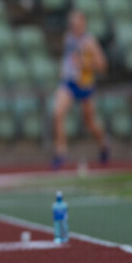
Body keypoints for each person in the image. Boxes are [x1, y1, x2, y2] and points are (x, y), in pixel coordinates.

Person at [51, 10, 110, 169]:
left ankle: (103, 144)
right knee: (58, 113)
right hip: (68, 83)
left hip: (85, 85)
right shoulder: (68, 38)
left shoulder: (89, 42)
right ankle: (61, 152)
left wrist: (84, 64)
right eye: (72, 24)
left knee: (90, 123)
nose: (74, 26)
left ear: (83, 24)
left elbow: (102, 65)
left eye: (77, 24)